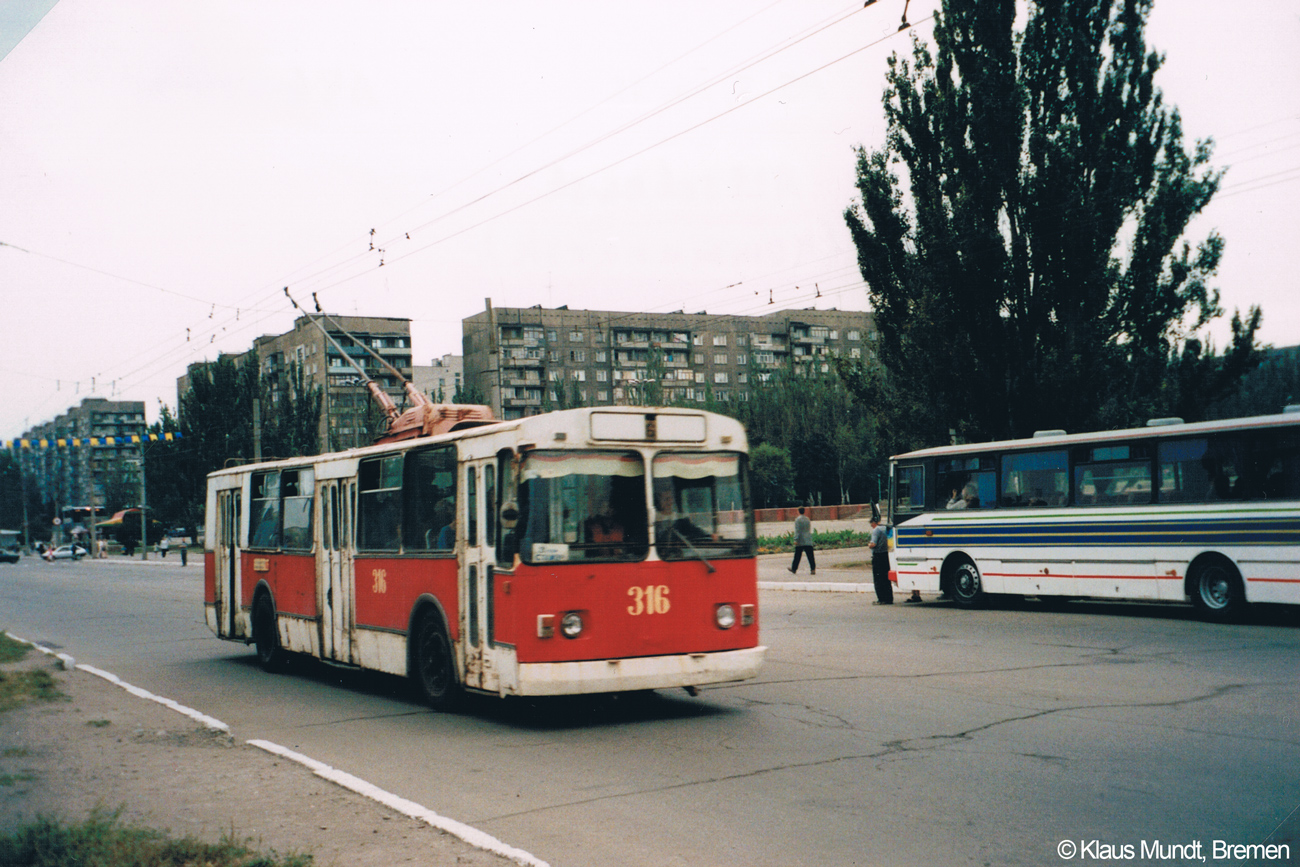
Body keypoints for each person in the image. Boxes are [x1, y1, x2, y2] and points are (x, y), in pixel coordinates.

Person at [868, 511, 892, 604]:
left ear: (873, 523)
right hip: (886, 554)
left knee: (878, 578)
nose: (872, 527)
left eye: (871, 525)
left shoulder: (876, 530)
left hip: (878, 555)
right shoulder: (886, 528)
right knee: (886, 578)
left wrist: (869, 545)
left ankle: (881, 598)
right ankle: (889, 598)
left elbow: (873, 544)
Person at [787, 507, 815, 575]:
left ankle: (794, 569)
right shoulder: (807, 519)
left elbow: (797, 531)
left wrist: (796, 539)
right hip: (808, 539)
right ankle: (813, 569)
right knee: (810, 555)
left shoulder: (797, 520)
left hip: (800, 540)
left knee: (797, 556)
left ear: (798, 511)